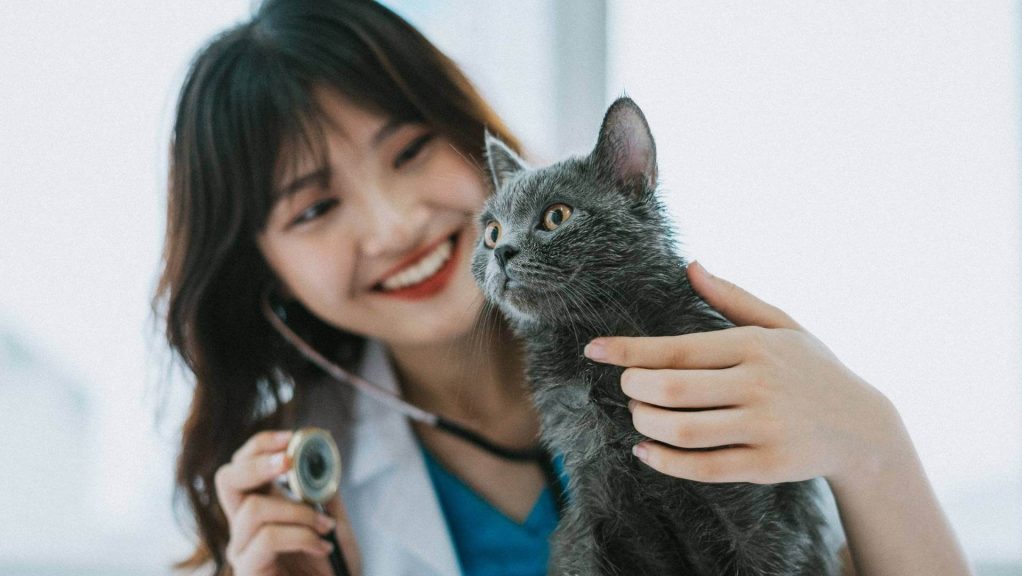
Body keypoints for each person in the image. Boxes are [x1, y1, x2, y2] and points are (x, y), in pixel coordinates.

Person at [154, 1, 973, 575]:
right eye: (317, 206)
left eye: (408, 151)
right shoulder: (290, 495)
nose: (395, 222)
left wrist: (871, 445)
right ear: (264, 272)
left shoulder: (702, 345)